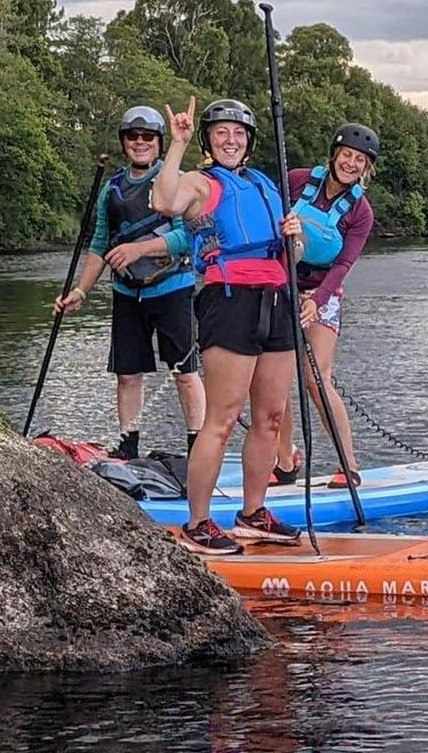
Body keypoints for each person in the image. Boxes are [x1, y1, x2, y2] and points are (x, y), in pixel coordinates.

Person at [152, 96, 304, 554]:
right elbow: (163, 201)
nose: (231, 140)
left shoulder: (264, 185)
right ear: (209, 140)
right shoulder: (200, 183)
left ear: (250, 142)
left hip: (275, 299)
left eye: (238, 134)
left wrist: (296, 240)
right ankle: (198, 523)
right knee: (220, 419)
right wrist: (175, 144)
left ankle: (253, 513)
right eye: (221, 133)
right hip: (229, 299)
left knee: (271, 417)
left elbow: (292, 255)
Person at [53, 106, 206, 457]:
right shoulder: (112, 189)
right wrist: (80, 290)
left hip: (172, 289)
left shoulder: (176, 182)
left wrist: (139, 249)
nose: (140, 143)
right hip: (127, 293)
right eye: (133, 137)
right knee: (127, 374)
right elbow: (100, 243)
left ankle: (199, 449)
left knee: (184, 372)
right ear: (125, 143)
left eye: (148, 137)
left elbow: (187, 237)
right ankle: (128, 448)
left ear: (158, 142)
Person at [272, 124, 379, 487]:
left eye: (359, 160)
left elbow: (343, 264)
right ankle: (285, 462)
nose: (351, 163)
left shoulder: (360, 212)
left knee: (317, 379)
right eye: (347, 155)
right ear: (334, 155)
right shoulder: (298, 181)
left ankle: (348, 465)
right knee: (277, 380)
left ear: (366, 168)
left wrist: (316, 301)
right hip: (281, 285)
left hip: (323, 293)